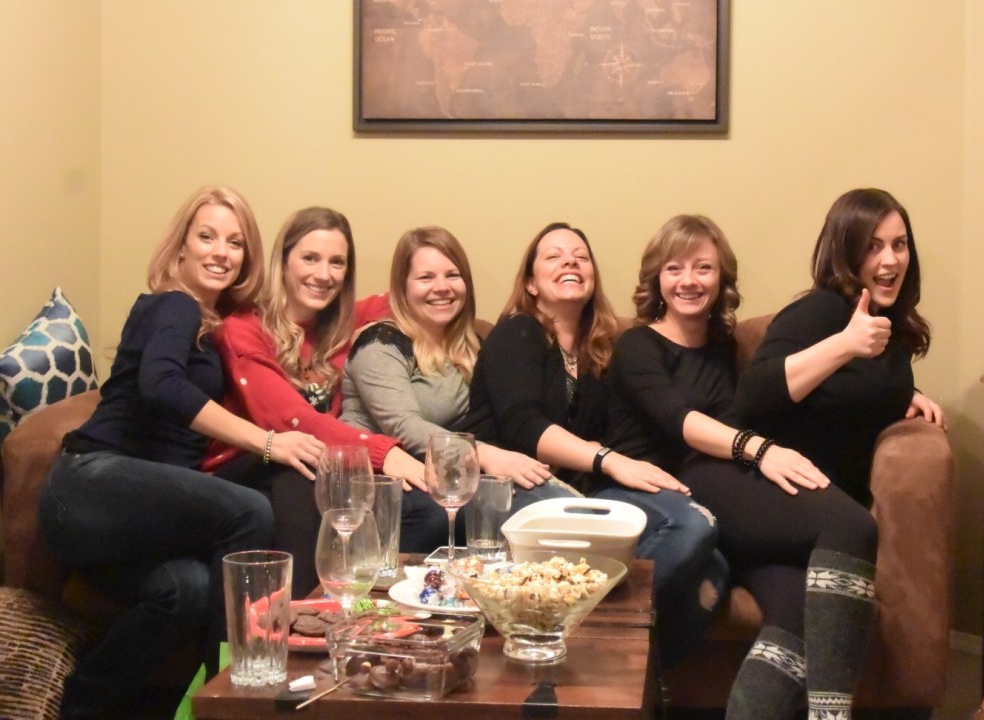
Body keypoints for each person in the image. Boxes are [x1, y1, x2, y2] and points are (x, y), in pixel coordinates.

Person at [37, 186, 325, 720]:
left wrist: (278, 450)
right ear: (181, 248)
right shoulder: (174, 305)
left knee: (187, 589)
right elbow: (161, 385)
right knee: (249, 510)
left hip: (128, 515)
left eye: (235, 243)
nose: (221, 252)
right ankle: (234, 701)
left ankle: (81, 705)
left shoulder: (214, 326)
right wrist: (266, 441)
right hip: (88, 487)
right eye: (207, 237)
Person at [612, 214, 878, 720]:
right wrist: (759, 450)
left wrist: (902, 398)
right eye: (674, 268)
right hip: (669, 495)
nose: (689, 280)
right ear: (656, 279)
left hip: (724, 496)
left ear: (722, 278)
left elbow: (778, 397)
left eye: (703, 267)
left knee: (796, 609)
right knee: (852, 526)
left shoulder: (724, 347)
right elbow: (680, 421)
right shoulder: (637, 345)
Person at [465, 221, 727, 667]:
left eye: (580, 257)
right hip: (507, 488)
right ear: (530, 283)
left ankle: (621, 676)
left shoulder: (601, 350)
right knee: (690, 529)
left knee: (714, 566)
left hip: (573, 492)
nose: (569, 261)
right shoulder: (518, 332)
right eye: (553, 256)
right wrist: (611, 461)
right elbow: (523, 425)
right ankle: (593, 662)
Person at [204, 207, 440, 598]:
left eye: (337, 263)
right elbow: (288, 419)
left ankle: (367, 609)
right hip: (248, 463)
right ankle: (296, 619)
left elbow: (413, 295)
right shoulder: (242, 329)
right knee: (300, 471)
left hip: (324, 462)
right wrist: (383, 454)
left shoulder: (342, 326)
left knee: (417, 508)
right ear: (283, 263)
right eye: (310, 258)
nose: (324, 274)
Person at [339, 227, 573, 525]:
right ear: (402, 287)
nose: (442, 287)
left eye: (453, 275)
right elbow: (403, 426)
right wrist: (486, 455)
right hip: (380, 484)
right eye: (426, 278)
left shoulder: (476, 346)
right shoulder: (379, 342)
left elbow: (504, 414)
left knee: (550, 506)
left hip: (450, 477)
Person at [733, 187, 945, 506]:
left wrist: (907, 393)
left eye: (899, 245)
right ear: (847, 253)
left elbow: (852, 386)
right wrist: (845, 344)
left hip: (832, 494)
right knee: (856, 529)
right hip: (772, 481)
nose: (891, 260)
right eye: (873, 246)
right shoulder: (823, 308)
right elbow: (750, 398)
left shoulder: (890, 322)